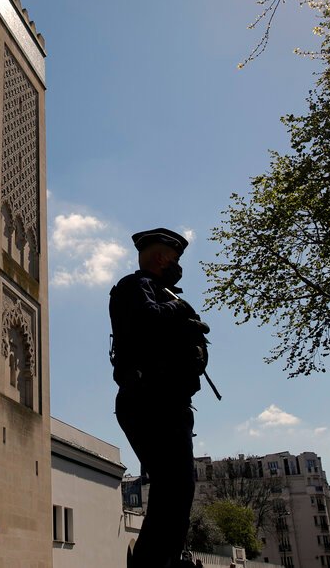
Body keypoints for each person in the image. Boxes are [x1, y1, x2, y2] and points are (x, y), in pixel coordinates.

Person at [110, 228, 210, 568]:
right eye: (175, 259)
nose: (178, 267)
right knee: (174, 488)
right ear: (160, 258)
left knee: (177, 491)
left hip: (170, 401)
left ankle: (165, 558)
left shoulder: (160, 291)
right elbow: (147, 319)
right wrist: (181, 311)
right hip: (150, 398)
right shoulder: (133, 287)